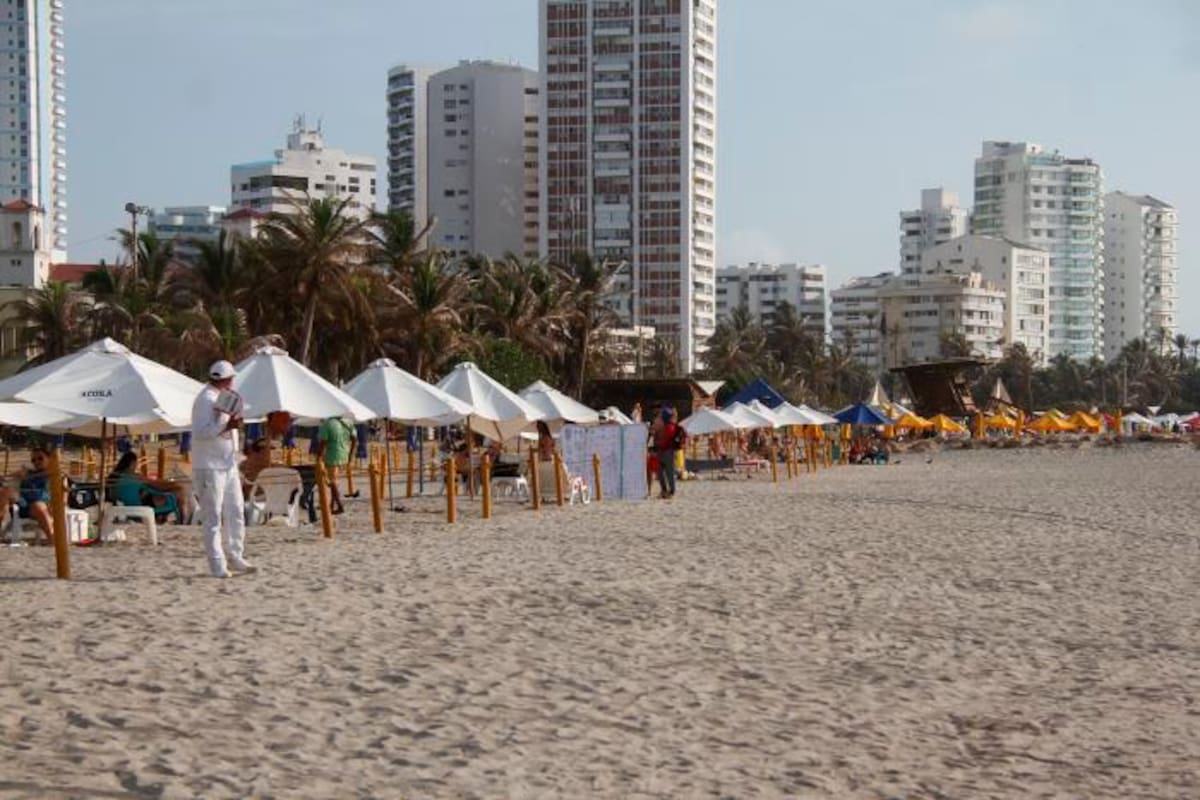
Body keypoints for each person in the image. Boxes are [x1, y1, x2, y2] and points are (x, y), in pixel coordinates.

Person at [191, 359, 253, 578]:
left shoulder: (225, 398)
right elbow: (201, 432)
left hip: (228, 464)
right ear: (226, 379)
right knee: (213, 516)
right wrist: (226, 425)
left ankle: (236, 556)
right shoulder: (205, 399)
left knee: (236, 511)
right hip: (209, 466)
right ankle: (217, 564)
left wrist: (233, 426)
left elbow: (227, 431)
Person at [108, 451, 191, 522]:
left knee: (173, 492)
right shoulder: (135, 477)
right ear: (132, 463)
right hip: (142, 506)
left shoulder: (114, 478)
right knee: (180, 492)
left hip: (125, 508)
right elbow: (157, 485)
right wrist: (174, 485)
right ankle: (184, 520)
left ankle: (166, 519)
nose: (136, 466)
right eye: (136, 463)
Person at [5, 448, 55, 545]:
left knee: (40, 506)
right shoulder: (28, 473)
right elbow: (6, 478)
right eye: (33, 460)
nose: (37, 462)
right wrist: (21, 476)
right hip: (25, 506)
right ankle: (52, 539)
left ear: (49, 458)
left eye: (40, 458)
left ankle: (53, 538)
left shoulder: (54, 475)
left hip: (48, 506)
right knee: (38, 506)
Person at [316, 416, 356, 514]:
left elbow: (323, 442)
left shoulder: (327, 424)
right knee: (334, 481)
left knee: (332, 481)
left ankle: (340, 505)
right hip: (344, 455)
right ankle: (331, 505)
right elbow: (354, 439)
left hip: (332, 456)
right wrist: (350, 454)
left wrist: (318, 457)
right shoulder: (348, 422)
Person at [654, 407, 680, 499]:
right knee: (660, 473)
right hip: (662, 451)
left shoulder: (670, 427)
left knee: (669, 473)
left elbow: (666, 440)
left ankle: (671, 492)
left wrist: (658, 444)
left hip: (668, 452)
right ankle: (664, 490)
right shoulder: (664, 426)